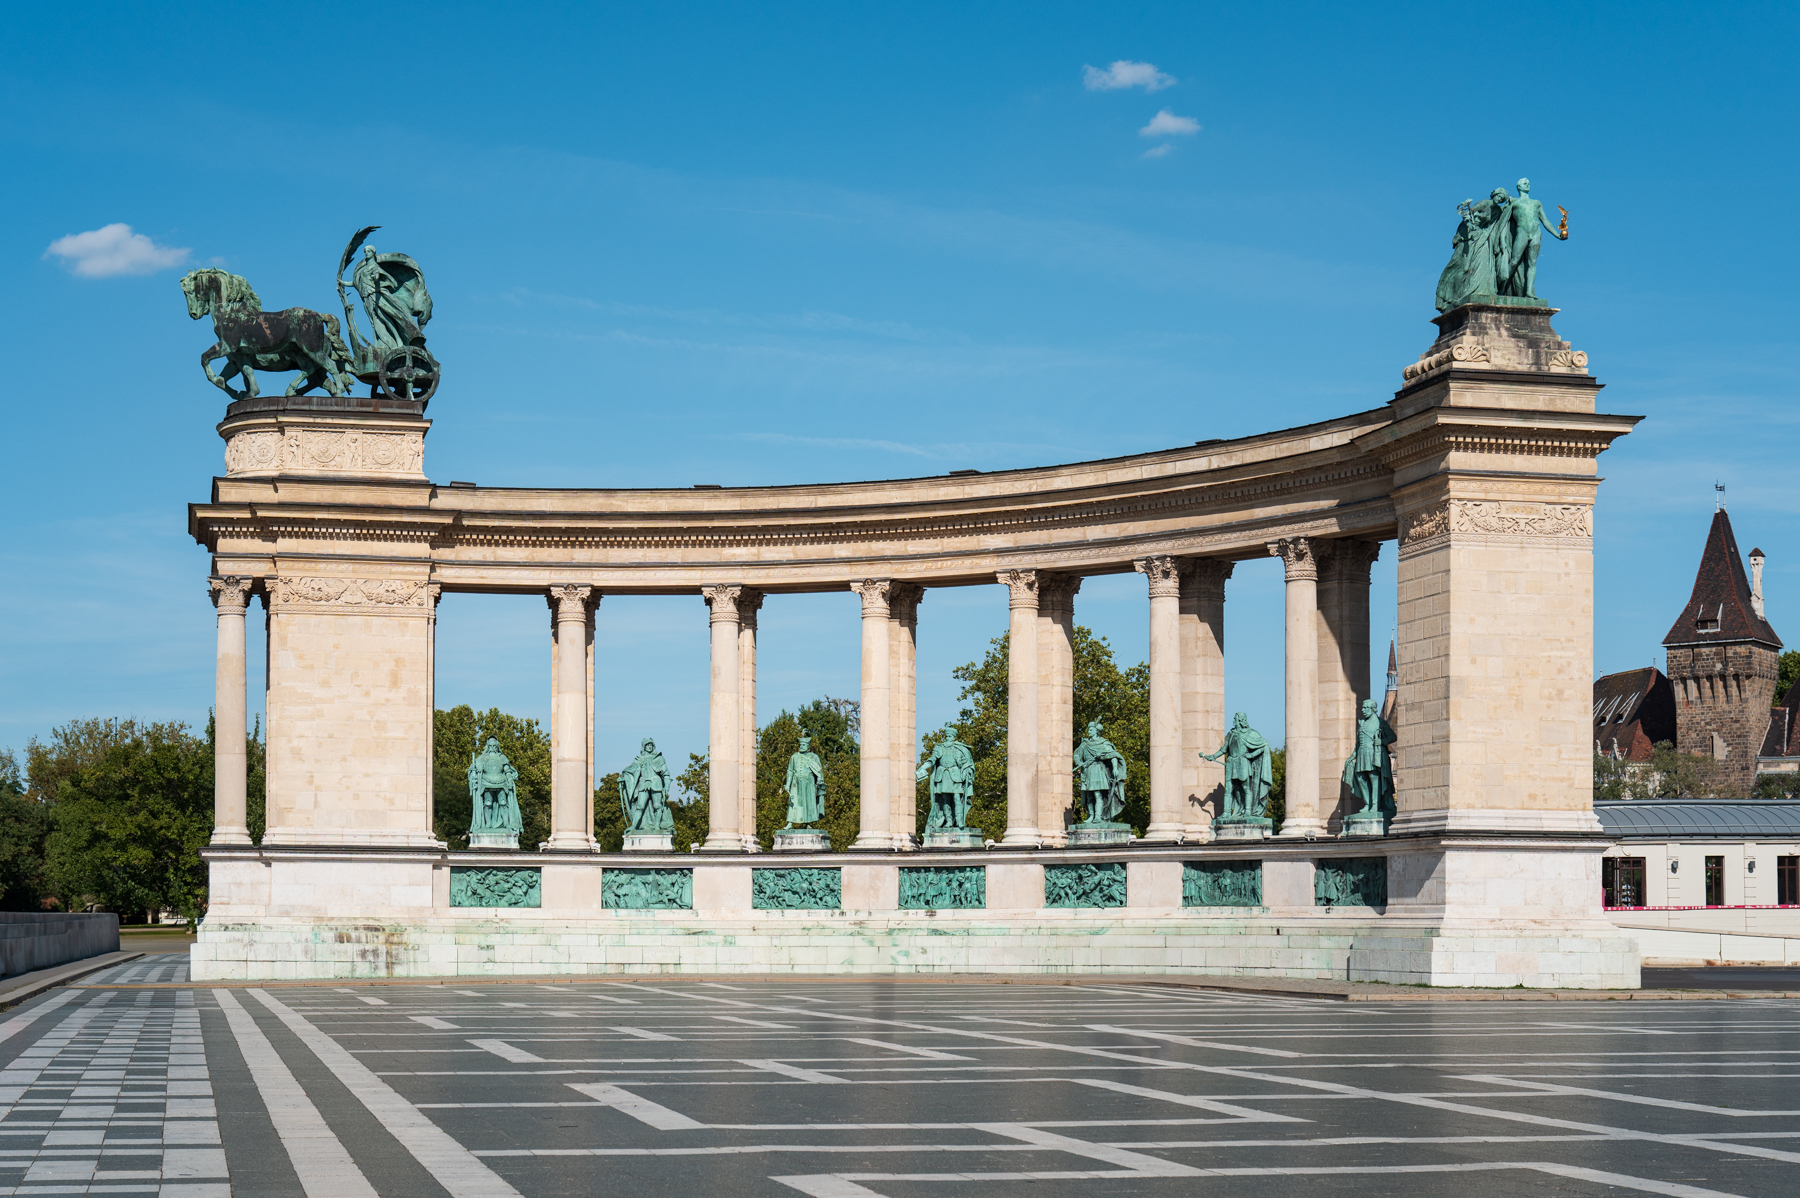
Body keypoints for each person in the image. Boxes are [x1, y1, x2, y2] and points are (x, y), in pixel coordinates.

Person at [1497, 177, 1566, 299]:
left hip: (1535, 233)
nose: (1527, 185)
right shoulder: (1514, 202)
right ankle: (1500, 287)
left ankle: (1529, 291)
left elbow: (1545, 221)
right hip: (1522, 232)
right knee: (1514, 261)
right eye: (1524, 183)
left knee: (1532, 263)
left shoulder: (1536, 203)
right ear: (1519, 187)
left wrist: (1557, 235)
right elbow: (1502, 222)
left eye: (1528, 183)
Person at [1200, 713, 1272, 820]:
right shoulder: (1231, 733)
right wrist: (1213, 756)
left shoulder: (1250, 734)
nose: (1233, 720)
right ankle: (1227, 812)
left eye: (1235, 719)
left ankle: (1248, 810)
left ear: (1241, 720)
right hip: (1231, 763)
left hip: (1243, 763)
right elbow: (1224, 749)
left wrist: (1251, 755)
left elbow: (1263, 745)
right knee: (1228, 789)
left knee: (1246, 787)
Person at [1341, 699, 1397, 819]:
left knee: (1373, 778)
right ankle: (1368, 803)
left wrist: (1382, 741)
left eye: (1366, 708)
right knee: (1361, 778)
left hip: (1374, 753)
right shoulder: (1361, 723)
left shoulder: (1380, 722)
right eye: (1363, 707)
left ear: (1372, 709)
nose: (1363, 710)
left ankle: (1375, 805)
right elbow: (1358, 743)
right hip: (1362, 754)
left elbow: (1392, 736)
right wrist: (1353, 755)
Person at [916, 729, 976, 829]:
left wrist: (967, 770)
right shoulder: (939, 748)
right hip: (942, 776)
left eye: (950, 736)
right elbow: (932, 760)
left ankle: (959, 820)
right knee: (945, 800)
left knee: (957, 798)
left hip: (955, 776)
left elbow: (967, 763)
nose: (948, 738)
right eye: (947, 736)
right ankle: (949, 821)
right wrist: (922, 767)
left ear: (954, 737)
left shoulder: (959, 749)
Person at [1071, 721, 1128, 824]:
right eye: (1088, 729)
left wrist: (1115, 768)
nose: (1089, 731)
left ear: (1096, 731)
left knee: (1098, 794)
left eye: (1091, 730)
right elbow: (1077, 754)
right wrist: (1080, 763)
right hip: (1087, 771)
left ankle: (1098, 816)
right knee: (1089, 795)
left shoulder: (1103, 742)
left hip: (1098, 770)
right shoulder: (1085, 743)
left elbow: (1113, 755)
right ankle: (1091, 816)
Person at [467, 738, 521, 834]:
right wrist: (473, 773)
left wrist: (509, 779)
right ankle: (488, 824)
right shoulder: (482, 758)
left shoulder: (502, 757)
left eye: (494, 746)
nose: (492, 748)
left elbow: (507, 770)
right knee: (488, 804)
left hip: (501, 782)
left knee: (503, 803)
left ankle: (506, 823)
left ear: (497, 746)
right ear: (487, 746)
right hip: (486, 782)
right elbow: (475, 769)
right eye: (490, 746)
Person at [619, 738, 673, 833]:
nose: (649, 747)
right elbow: (630, 771)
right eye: (647, 745)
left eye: (651, 745)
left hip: (656, 782)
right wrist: (623, 778)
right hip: (643, 782)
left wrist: (666, 787)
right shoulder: (639, 759)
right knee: (640, 806)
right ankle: (634, 826)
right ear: (644, 747)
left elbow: (666, 773)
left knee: (657, 806)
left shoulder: (659, 758)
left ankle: (657, 826)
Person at [782, 734, 825, 827]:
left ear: (808, 746)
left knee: (808, 803)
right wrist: (787, 784)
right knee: (793, 803)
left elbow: (819, 771)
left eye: (804, 745)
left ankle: (808, 823)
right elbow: (790, 771)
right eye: (800, 745)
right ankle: (790, 823)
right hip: (795, 783)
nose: (801, 746)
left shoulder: (814, 757)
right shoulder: (794, 757)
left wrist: (819, 782)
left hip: (808, 783)